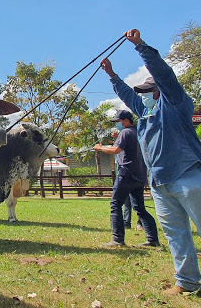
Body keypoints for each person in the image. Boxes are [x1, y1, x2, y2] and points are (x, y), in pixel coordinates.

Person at [100, 28, 201, 296]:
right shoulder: (145, 113)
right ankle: (187, 282)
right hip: (159, 182)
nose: (143, 95)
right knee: (176, 235)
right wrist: (112, 75)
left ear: (159, 91)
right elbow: (128, 96)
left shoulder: (176, 102)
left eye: (148, 90)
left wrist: (141, 46)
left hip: (188, 175)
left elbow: (165, 75)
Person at [93, 110, 159, 248]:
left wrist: (100, 148)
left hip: (126, 174)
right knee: (140, 208)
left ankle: (117, 240)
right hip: (139, 175)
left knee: (115, 205)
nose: (117, 124)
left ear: (126, 121)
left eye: (118, 122)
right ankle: (153, 239)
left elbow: (116, 150)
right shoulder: (138, 132)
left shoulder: (125, 132)